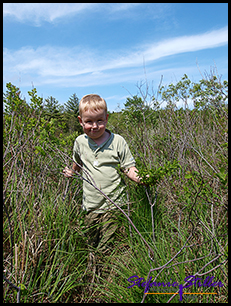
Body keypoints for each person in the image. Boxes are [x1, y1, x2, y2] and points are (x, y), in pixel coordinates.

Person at [63, 94, 143, 257]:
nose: (94, 126)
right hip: (90, 206)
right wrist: (72, 172)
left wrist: (141, 179)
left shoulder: (118, 141)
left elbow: (128, 168)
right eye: (89, 121)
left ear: (106, 119)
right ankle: (93, 273)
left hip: (114, 205)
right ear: (81, 121)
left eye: (99, 120)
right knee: (90, 246)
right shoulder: (79, 142)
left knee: (108, 249)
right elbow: (78, 163)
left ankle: (107, 278)